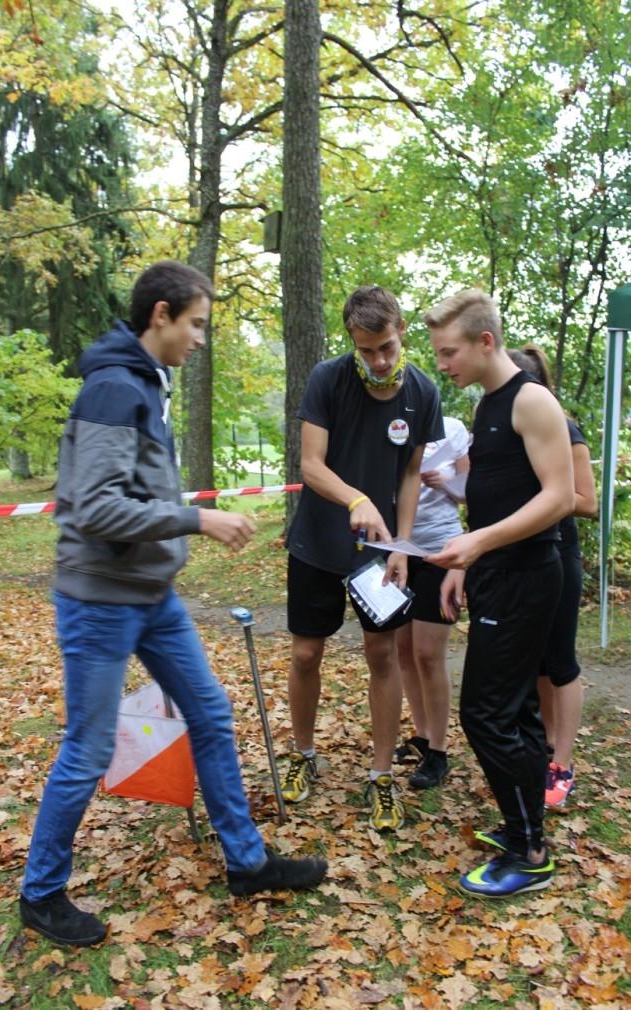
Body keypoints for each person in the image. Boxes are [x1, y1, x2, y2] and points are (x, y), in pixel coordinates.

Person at [19, 260, 327, 948]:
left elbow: (131, 492)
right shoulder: (112, 389)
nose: (200, 339)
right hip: (100, 599)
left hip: (150, 594)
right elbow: (96, 508)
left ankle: (247, 862)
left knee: (210, 713)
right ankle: (40, 894)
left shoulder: (145, 383)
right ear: (160, 314)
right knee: (88, 748)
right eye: (195, 324)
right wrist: (197, 519)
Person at [424, 289, 574, 898]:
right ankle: (525, 826)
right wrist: (467, 561)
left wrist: (480, 544)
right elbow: (495, 498)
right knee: (516, 711)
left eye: (449, 352)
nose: (442, 364)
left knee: (484, 714)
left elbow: (560, 498)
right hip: (495, 573)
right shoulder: (488, 404)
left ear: (485, 342)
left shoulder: (532, 401)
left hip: (527, 577)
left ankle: (529, 852)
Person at [280, 285, 444, 832]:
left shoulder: (423, 392)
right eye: (367, 350)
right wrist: (356, 500)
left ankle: (381, 776)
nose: (378, 361)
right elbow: (311, 465)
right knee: (306, 653)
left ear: (401, 332)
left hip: (379, 552)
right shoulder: (328, 379)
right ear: (352, 340)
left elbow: (411, 474)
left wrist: (401, 545)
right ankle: (304, 754)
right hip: (318, 543)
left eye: (387, 347)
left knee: (383, 656)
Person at [507, 345, 597, 810]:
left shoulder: (565, 427)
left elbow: (587, 501)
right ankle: (544, 747)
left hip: (559, 555)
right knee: (538, 662)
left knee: (560, 662)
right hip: (524, 559)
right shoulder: (512, 429)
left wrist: (545, 496)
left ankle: (563, 763)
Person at [395, 415, 469, 789]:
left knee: (428, 654)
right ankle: (422, 735)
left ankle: (439, 751)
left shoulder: (452, 429)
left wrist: (448, 483)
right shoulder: (391, 427)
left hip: (441, 548)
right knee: (404, 650)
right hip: (396, 549)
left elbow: (472, 488)